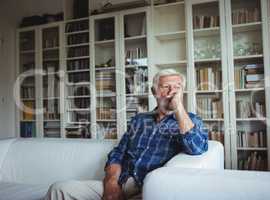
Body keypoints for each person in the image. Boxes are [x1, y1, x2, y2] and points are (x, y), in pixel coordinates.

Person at [45, 69, 208, 200]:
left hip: (148, 190)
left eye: (177, 87)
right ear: (154, 91)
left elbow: (198, 148)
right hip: (119, 182)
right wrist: (111, 184)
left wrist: (178, 108)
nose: (172, 92)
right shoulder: (139, 119)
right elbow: (118, 153)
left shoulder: (190, 121)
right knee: (60, 189)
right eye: (166, 87)